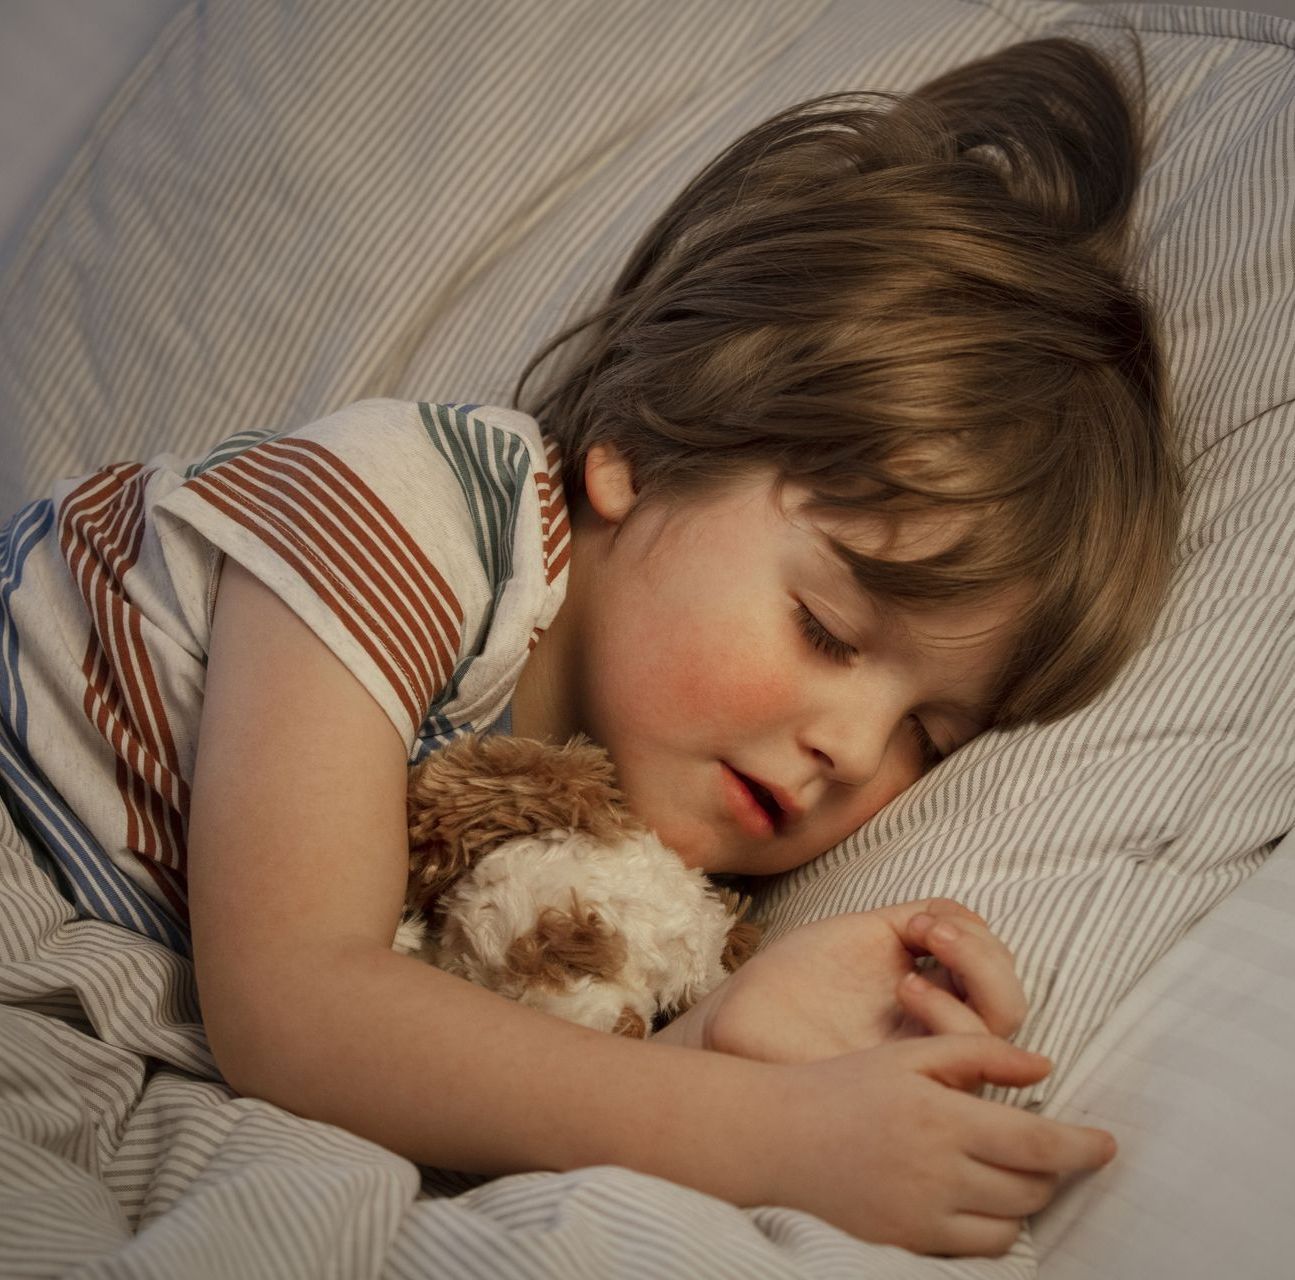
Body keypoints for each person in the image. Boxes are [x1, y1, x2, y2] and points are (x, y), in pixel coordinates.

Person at [0, 32, 1180, 1258]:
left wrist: (729, 1031)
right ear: (639, 444)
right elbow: (298, 1003)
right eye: (826, 627)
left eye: (924, 733)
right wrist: (767, 1131)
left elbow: (466, 1082)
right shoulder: (409, 506)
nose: (848, 743)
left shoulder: (614, 836)